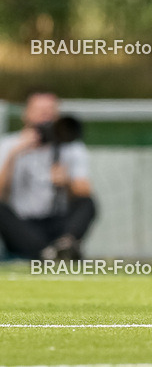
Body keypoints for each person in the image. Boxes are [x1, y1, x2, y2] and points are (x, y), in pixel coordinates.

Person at [0, 89, 96, 260]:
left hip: (58, 224)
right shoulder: (8, 145)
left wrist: (66, 182)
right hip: (24, 226)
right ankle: (48, 254)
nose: (45, 117)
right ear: (26, 114)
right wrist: (13, 156)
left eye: (50, 112)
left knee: (87, 203)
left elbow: (85, 194)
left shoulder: (71, 147)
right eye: (39, 111)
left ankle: (63, 246)